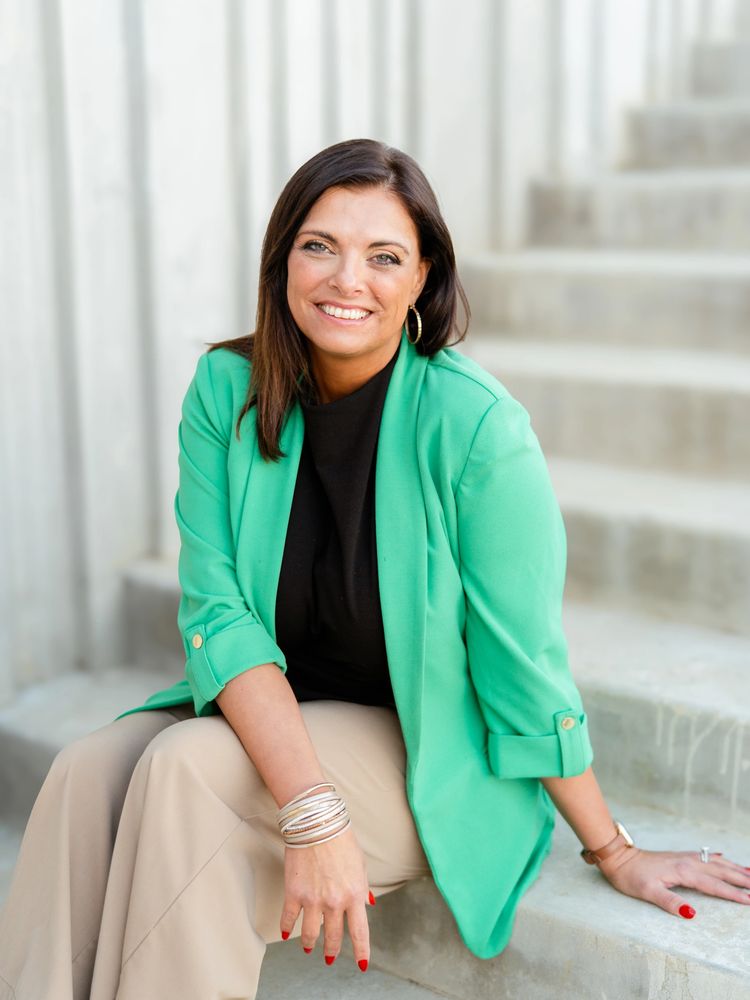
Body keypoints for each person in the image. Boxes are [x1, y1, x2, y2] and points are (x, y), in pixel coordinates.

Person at [1, 138, 748, 1000]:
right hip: (284, 715)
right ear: (282, 259)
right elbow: (217, 614)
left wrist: (611, 847)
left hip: (427, 751)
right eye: (320, 246)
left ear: (422, 278)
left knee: (184, 769)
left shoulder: (477, 429)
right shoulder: (226, 391)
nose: (346, 279)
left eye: (384, 256)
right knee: (86, 772)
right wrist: (311, 805)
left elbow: (523, 666)